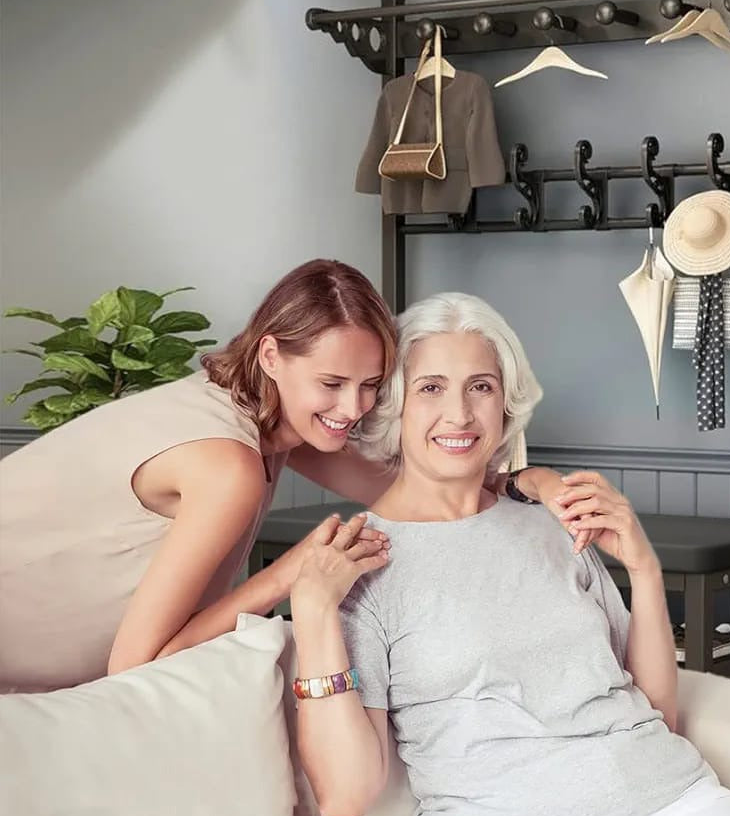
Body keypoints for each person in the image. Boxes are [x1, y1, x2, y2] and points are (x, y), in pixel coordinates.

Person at [290, 292, 730, 816]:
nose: (460, 413)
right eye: (430, 388)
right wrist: (312, 614)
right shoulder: (363, 566)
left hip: (677, 799)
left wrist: (644, 569)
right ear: (394, 405)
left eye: (481, 386)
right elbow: (344, 797)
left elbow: (656, 712)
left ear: (505, 403)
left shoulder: (552, 519)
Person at [0, 262, 580, 693]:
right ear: (271, 356)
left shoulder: (274, 419)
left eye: (370, 385)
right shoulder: (227, 466)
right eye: (331, 384)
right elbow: (133, 669)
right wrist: (290, 572)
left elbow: (412, 488)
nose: (352, 409)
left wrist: (529, 482)